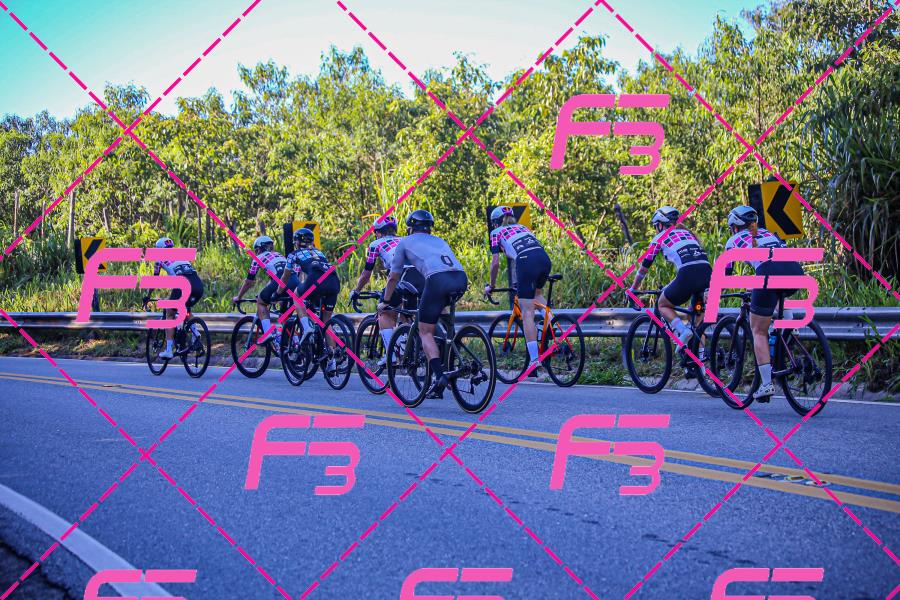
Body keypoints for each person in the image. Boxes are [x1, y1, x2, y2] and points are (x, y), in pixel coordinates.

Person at [379, 209, 468, 399]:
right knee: (441, 319)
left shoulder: (404, 242)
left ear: (410, 228)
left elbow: (393, 276)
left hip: (437, 280)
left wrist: (385, 301)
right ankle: (450, 356)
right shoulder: (439, 240)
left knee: (425, 331)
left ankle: (440, 376)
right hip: (460, 279)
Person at [723, 205, 804, 401]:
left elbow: (726, 272)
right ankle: (790, 324)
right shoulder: (768, 233)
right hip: (795, 270)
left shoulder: (733, 240)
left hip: (768, 272)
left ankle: (767, 384)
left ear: (735, 226)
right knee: (774, 293)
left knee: (758, 330)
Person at [627, 206, 712, 345]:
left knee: (662, 304)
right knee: (696, 323)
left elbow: (643, 269)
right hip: (707, 277)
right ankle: (701, 356)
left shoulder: (659, 238)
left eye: (656, 226)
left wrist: (633, 289)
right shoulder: (688, 234)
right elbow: (692, 265)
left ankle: (682, 331)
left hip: (688, 277)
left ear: (660, 225)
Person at [483, 205, 552, 371]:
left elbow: (495, 263)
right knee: (537, 294)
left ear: (495, 222)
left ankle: (534, 360)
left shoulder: (495, 232)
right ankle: (551, 323)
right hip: (544, 259)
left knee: (527, 312)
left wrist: (491, 286)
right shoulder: (523, 228)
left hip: (526, 261)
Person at [349, 216, 424, 366]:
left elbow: (366, 274)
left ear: (377, 232)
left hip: (401, 277)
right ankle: (407, 348)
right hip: (421, 277)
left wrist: (356, 290)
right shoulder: (406, 240)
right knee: (405, 314)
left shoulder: (375, 244)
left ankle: (392, 355)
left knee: (384, 311)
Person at [287, 227, 342, 372]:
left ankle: (306, 326)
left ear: (296, 242)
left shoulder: (293, 254)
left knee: (296, 295)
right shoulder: (319, 253)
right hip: (334, 282)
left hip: (315, 282)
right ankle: (331, 362)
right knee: (326, 321)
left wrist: (278, 292)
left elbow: (287, 277)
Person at [232, 235, 297, 344]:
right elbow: (276, 277)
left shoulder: (258, 258)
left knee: (261, 302)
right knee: (284, 317)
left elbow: (249, 282)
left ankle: (268, 334)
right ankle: (296, 342)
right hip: (295, 282)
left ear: (258, 249)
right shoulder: (279, 255)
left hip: (280, 283)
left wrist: (239, 297)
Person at [151, 237, 204, 359]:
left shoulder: (159, 259)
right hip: (197, 285)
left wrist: (148, 296)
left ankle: (169, 350)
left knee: (169, 313)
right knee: (186, 310)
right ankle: (196, 333)